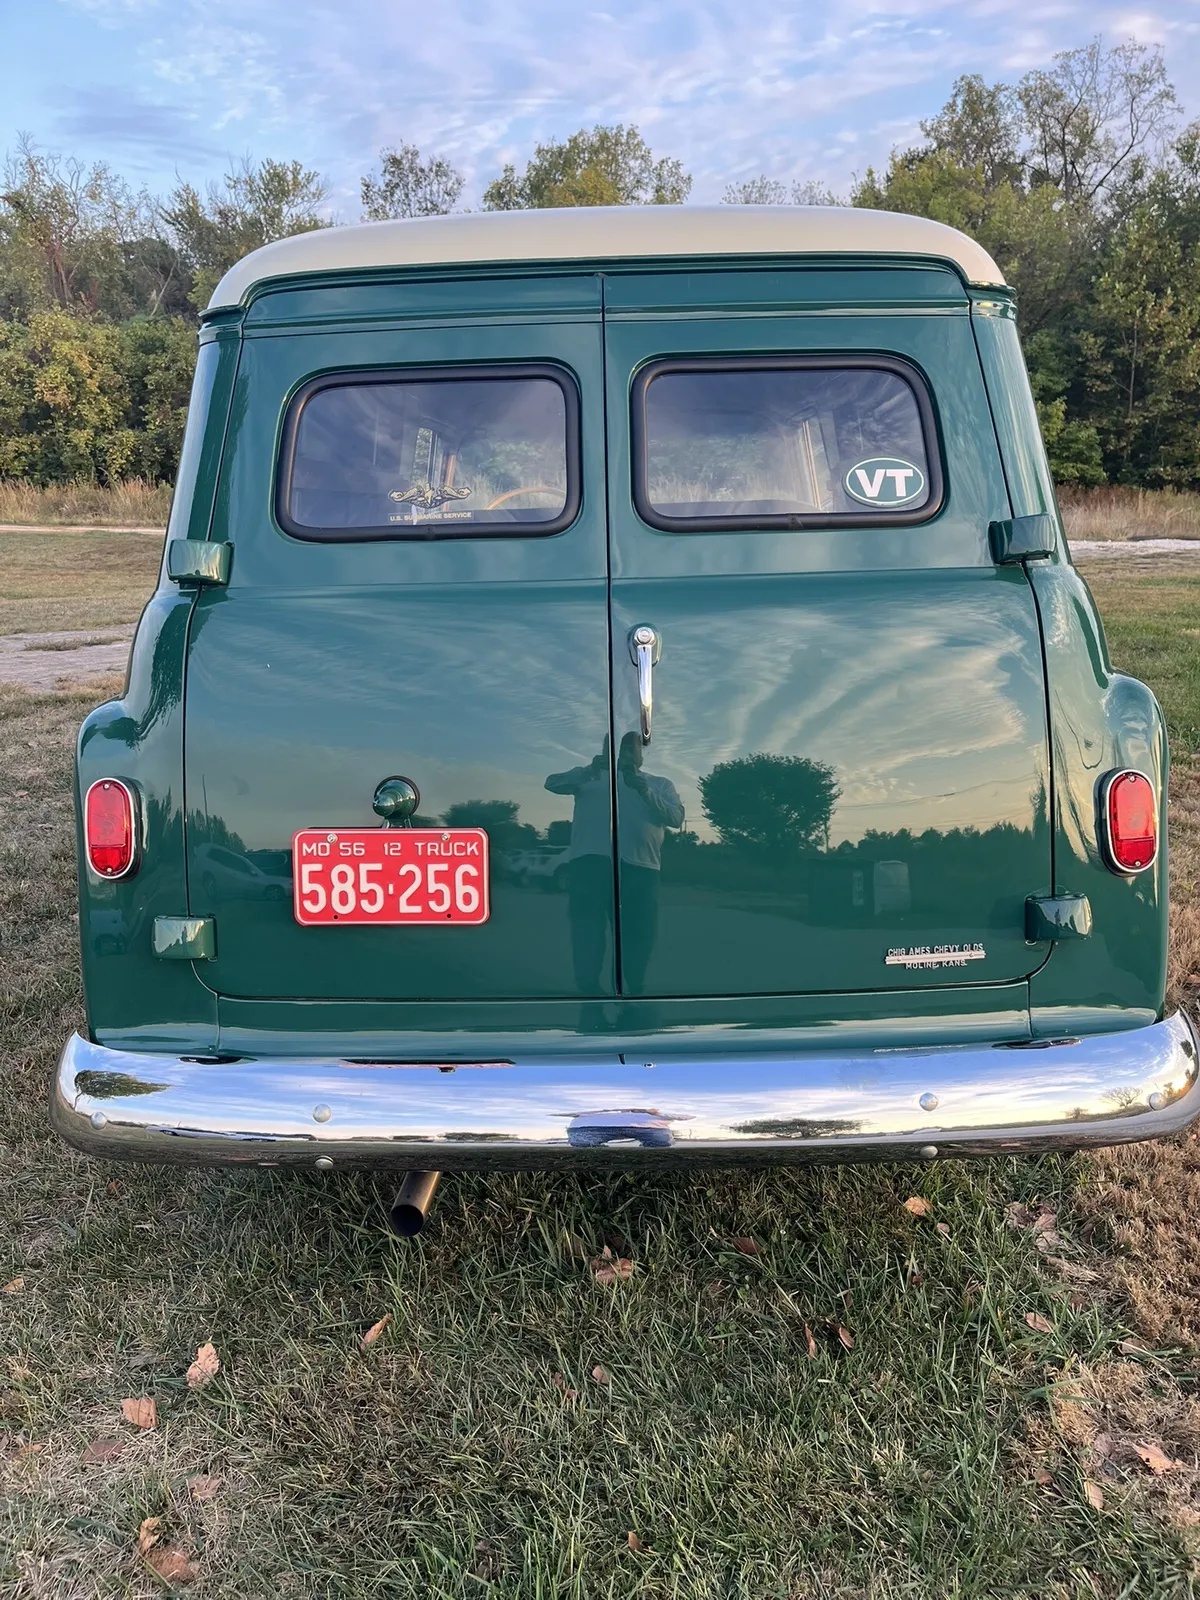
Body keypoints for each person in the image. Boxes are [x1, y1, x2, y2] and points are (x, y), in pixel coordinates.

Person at [545, 733, 684, 995]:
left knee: (640, 931)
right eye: (619, 748)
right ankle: (588, 987)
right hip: (591, 864)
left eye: (632, 749)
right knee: (587, 927)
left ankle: (637, 986)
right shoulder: (589, 777)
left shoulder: (658, 784)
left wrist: (643, 789)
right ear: (606, 750)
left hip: (641, 867)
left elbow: (676, 817)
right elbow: (551, 784)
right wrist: (589, 770)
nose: (626, 754)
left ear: (641, 755)